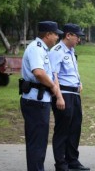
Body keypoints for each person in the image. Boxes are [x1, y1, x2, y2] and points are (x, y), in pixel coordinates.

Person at [20, 21, 65, 171]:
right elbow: (39, 72)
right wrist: (52, 86)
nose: (57, 37)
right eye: (55, 34)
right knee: (37, 142)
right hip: (35, 101)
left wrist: (56, 91)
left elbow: (50, 74)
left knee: (39, 142)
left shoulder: (43, 49)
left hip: (40, 100)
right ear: (47, 34)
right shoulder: (36, 49)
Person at [49, 23, 90, 171]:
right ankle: (60, 163)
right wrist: (59, 97)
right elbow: (54, 75)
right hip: (64, 94)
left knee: (75, 128)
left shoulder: (71, 51)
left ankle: (72, 160)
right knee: (63, 129)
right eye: (77, 36)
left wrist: (79, 83)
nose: (78, 40)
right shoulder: (57, 51)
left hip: (74, 93)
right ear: (68, 35)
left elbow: (71, 71)